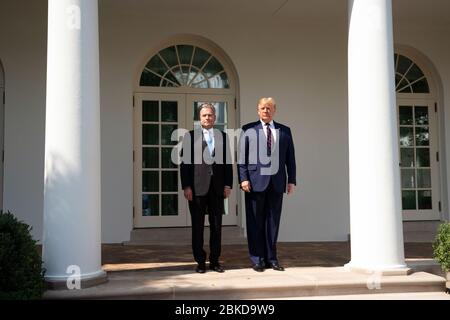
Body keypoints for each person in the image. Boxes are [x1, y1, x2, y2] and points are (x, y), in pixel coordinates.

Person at [238, 97, 296, 272]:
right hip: (254, 183)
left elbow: (290, 158)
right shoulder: (248, 130)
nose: (266, 111)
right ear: (257, 110)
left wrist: (292, 180)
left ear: (274, 110)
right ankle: (257, 259)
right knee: (255, 222)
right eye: (262, 108)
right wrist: (243, 179)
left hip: (277, 183)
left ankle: (272, 258)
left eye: (269, 108)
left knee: (272, 223)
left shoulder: (285, 131)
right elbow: (242, 158)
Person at [180, 103, 233, 273]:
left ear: (215, 118)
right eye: (204, 115)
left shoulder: (223, 137)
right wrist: (186, 186)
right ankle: (200, 261)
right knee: (198, 226)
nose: (207, 118)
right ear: (199, 118)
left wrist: (228, 184)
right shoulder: (190, 136)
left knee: (217, 227)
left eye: (210, 115)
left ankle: (215, 261)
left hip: (217, 188)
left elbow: (227, 163)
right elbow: (185, 164)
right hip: (196, 188)